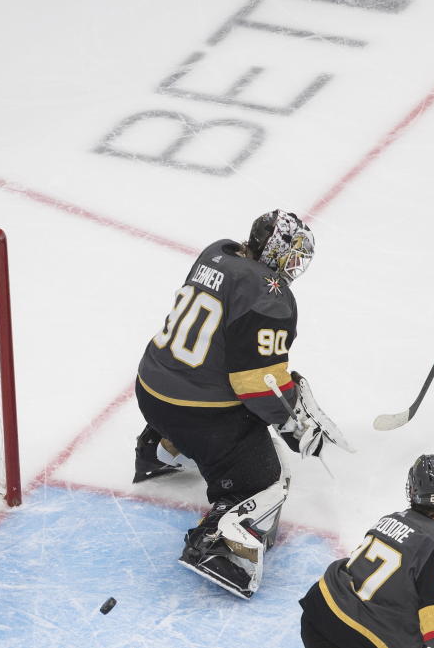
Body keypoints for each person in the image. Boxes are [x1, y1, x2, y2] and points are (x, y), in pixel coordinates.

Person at [133, 209, 353, 599]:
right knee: (267, 481)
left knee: (201, 409)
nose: (294, 265)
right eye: (291, 254)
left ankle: (162, 448)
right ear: (273, 251)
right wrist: (292, 424)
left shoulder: (218, 253)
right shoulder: (270, 296)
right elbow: (253, 384)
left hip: (151, 390)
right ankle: (216, 545)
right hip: (196, 413)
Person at [299, 454, 434, 648]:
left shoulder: (389, 520)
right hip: (362, 638)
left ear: (411, 490)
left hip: (319, 613)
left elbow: (392, 588)